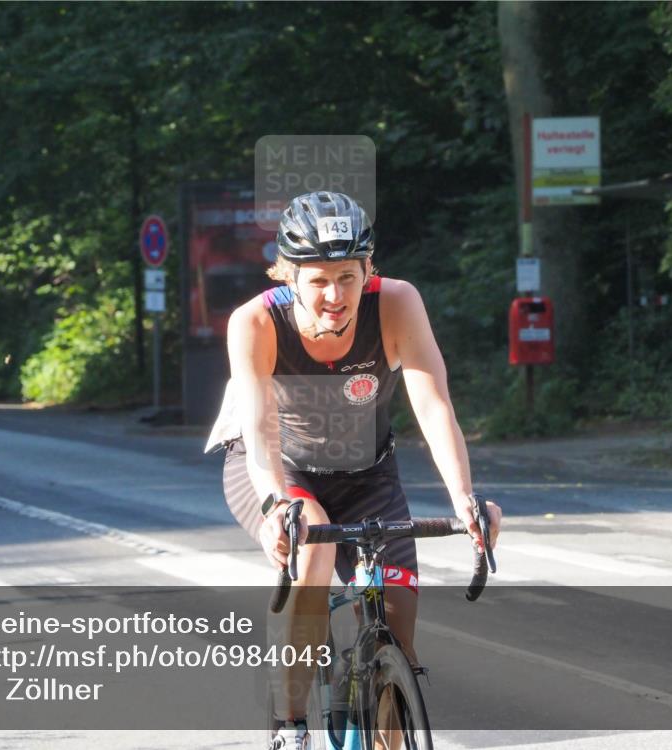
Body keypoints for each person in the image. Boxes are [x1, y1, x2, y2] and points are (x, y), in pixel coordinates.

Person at [206, 191, 502, 749]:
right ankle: (290, 727)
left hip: (368, 473)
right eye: (317, 280)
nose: (335, 295)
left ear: (369, 268)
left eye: (347, 276)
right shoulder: (255, 323)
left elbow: (434, 405)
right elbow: (260, 428)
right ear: (287, 276)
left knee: (398, 628)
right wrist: (277, 507)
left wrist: (465, 499)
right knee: (312, 545)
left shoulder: (396, 302)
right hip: (277, 467)